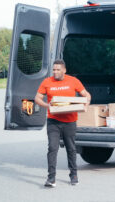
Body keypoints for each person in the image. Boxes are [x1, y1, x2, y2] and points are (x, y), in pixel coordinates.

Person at [35, 59, 91, 187]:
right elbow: (37, 98)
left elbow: (86, 94)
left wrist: (86, 103)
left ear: (64, 70)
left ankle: (73, 175)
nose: (55, 72)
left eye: (58, 70)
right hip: (53, 121)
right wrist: (47, 105)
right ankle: (51, 178)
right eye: (54, 70)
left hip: (70, 121)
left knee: (71, 149)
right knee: (52, 148)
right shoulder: (47, 82)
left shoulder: (73, 81)